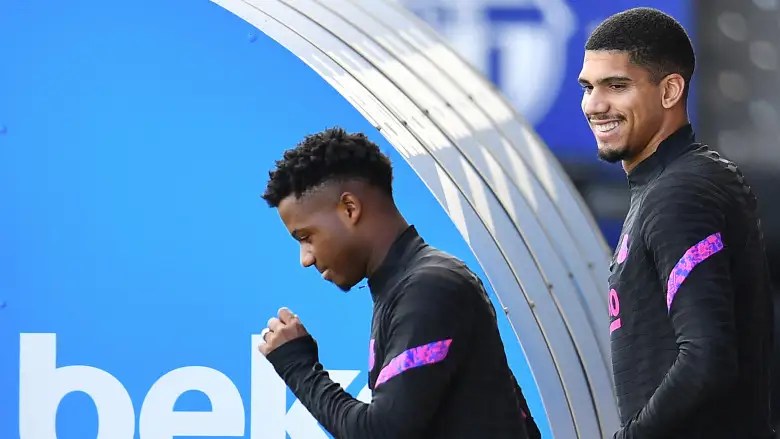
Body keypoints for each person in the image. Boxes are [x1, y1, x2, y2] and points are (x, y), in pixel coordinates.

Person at [256, 127, 541, 438]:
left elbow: (381, 433)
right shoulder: (411, 286)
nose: (306, 258)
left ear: (350, 209)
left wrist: (297, 365)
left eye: (306, 237)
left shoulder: (431, 287)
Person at [578, 7, 775, 439]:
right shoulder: (669, 184)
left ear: (670, 91)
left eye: (617, 85)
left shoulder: (679, 192)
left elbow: (706, 356)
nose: (595, 104)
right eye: (588, 87)